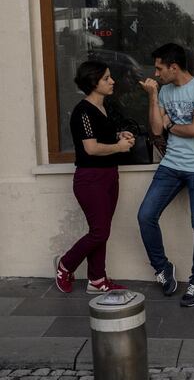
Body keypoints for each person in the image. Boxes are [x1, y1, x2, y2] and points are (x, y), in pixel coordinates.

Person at [138, 43, 194, 307]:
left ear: (174, 67)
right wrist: (152, 97)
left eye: (160, 68)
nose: (156, 73)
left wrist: (171, 123)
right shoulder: (164, 91)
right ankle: (163, 268)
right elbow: (157, 130)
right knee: (146, 215)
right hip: (171, 165)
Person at [55, 61, 135, 294]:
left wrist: (120, 135)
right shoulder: (83, 111)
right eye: (106, 78)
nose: (113, 81)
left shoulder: (104, 107)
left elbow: (103, 136)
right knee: (99, 231)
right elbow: (90, 148)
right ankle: (65, 265)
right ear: (93, 82)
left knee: (101, 229)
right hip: (90, 179)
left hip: (110, 175)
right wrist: (119, 148)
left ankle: (97, 279)